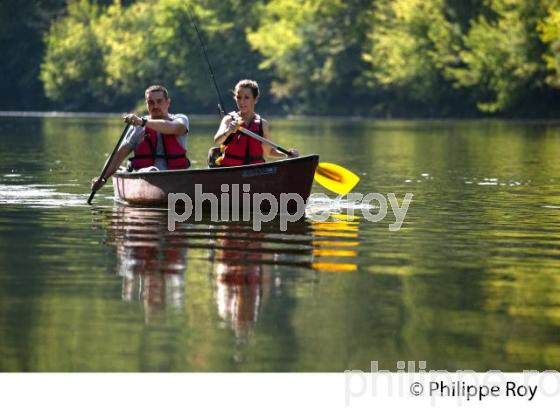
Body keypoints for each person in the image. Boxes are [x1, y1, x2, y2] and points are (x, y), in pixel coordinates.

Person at [91, 85, 190, 191]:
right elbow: (117, 157)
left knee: (155, 172)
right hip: (144, 177)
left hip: (175, 177)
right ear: (146, 104)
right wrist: (103, 178)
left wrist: (143, 122)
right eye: (151, 102)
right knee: (152, 171)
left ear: (168, 102)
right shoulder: (137, 127)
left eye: (159, 101)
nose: (155, 106)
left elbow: (177, 128)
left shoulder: (180, 119)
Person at [210, 79, 298, 167]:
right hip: (230, 170)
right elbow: (217, 140)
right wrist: (228, 130)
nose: (242, 102)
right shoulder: (228, 119)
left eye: (246, 97)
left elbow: (269, 152)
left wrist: (287, 154)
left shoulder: (262, 124)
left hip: (255, 171)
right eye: (239, 97)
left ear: (255, 99)